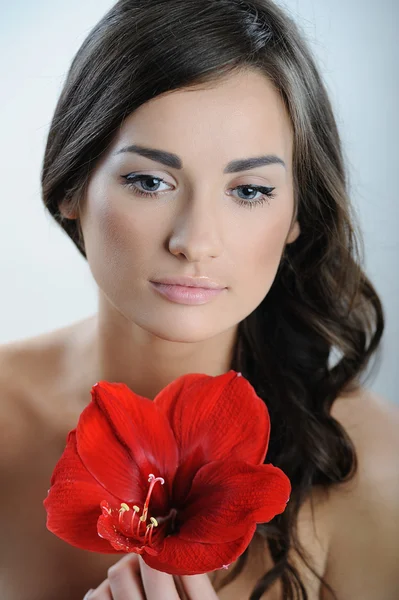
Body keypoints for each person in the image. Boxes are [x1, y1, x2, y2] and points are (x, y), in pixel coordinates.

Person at [1, 0, 398, 599]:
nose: (195, 242)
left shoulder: (368, 467)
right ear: (72, 185)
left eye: (251, 190)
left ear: (296, 213)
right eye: (150, 181)